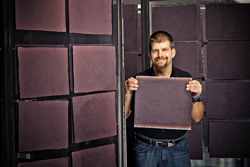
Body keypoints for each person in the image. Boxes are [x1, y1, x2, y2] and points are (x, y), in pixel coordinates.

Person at [125, 30, 204, 167]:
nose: (160, 55)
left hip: (178, 148)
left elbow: (196, 117)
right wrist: (128, 93)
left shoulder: (184, 78)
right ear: (150, 54)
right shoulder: (138, 80)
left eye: (164, 49)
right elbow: (124, 115)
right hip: (145, 149)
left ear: (173, 52)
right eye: (155, 50)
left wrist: (196, 96)